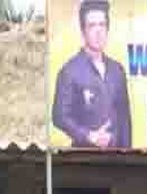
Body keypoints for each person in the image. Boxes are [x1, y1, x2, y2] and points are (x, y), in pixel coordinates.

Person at [52, 0, 131, 149]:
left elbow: (125, 120)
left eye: (102, 25)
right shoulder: (69, 71)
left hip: (116, 156)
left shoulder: (117, 70)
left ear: (107, 29)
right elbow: (59, 116)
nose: (98, 31)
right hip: (84, 157)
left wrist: (128, 154)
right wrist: (88, 135)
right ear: (83, 31)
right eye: (92, 25)